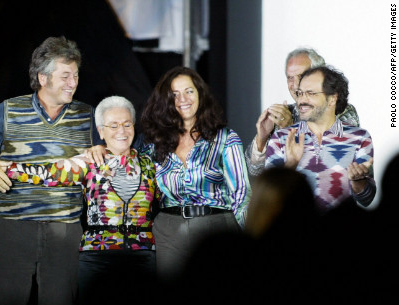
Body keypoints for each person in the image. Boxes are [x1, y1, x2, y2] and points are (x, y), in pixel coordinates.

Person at [0, 36, 96, 305]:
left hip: (65, 228)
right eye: (65, 75)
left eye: (75, 75)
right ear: (42, 77)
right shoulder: (7, 111)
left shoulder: (88, 116)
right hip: (12, 229)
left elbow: (117, 150)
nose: (73, 82)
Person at [4, 96, 157, 305]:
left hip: (141, 256)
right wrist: (0, 167)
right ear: (101, 131)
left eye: (127, 124)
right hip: (97, 257)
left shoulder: (150, 165)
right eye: (113, 125)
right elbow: (46, 173)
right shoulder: (89, 162)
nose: (122, 130)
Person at [138, 66, 251, 286]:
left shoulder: (225, 138)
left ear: (200, 94)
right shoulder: (152, 143)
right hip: (169, 231)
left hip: (216, 227)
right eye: (174, 94)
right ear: (165, 101)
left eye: (189, 91)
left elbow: (242, 195)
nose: (183, 99)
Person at [265, 65, 375, 212]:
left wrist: (357, 182)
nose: (301, 100)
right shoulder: (281, 138)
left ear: (332, 99)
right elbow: (267, 198)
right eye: (300, 93)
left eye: (310, 93)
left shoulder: (360, 137)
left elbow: (367, 200)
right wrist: (290, 166)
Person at [245, 47, 360, 176]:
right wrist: (262, 138)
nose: (295, 85)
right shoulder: (284, 113)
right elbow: (255, 171)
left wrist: (289, 129)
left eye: (301, 76)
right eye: (290, 78)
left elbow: (333, 166)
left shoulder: (342, 110)